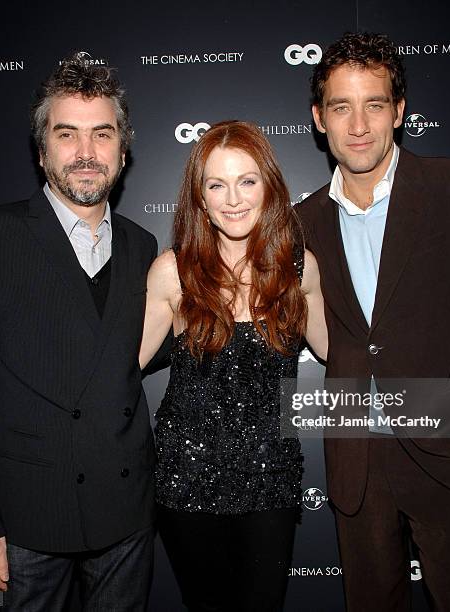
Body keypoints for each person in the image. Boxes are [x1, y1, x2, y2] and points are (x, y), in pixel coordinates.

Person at [296, 31, 450, 612]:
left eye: (374, 104)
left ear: (399, 112)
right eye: (341, 106)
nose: (358, 125)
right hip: (360, 463)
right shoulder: (303, 221)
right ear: (318, 118)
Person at [0, 54, 157, 611]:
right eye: (67, 135)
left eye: (102, 135)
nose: (86, 153)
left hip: (125, 513)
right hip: (22, 525)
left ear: (123, 152)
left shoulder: (142, 247)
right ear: (42, 151)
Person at [139, 120, 327, 611]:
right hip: (187, 480)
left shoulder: (299, 268)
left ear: (269, 186)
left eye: (247, 180)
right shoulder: (173, 271)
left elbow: (336, 349)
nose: (233, 198)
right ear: (200, 198)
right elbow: (118, 367)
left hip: (271, 480)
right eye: (216, 184)